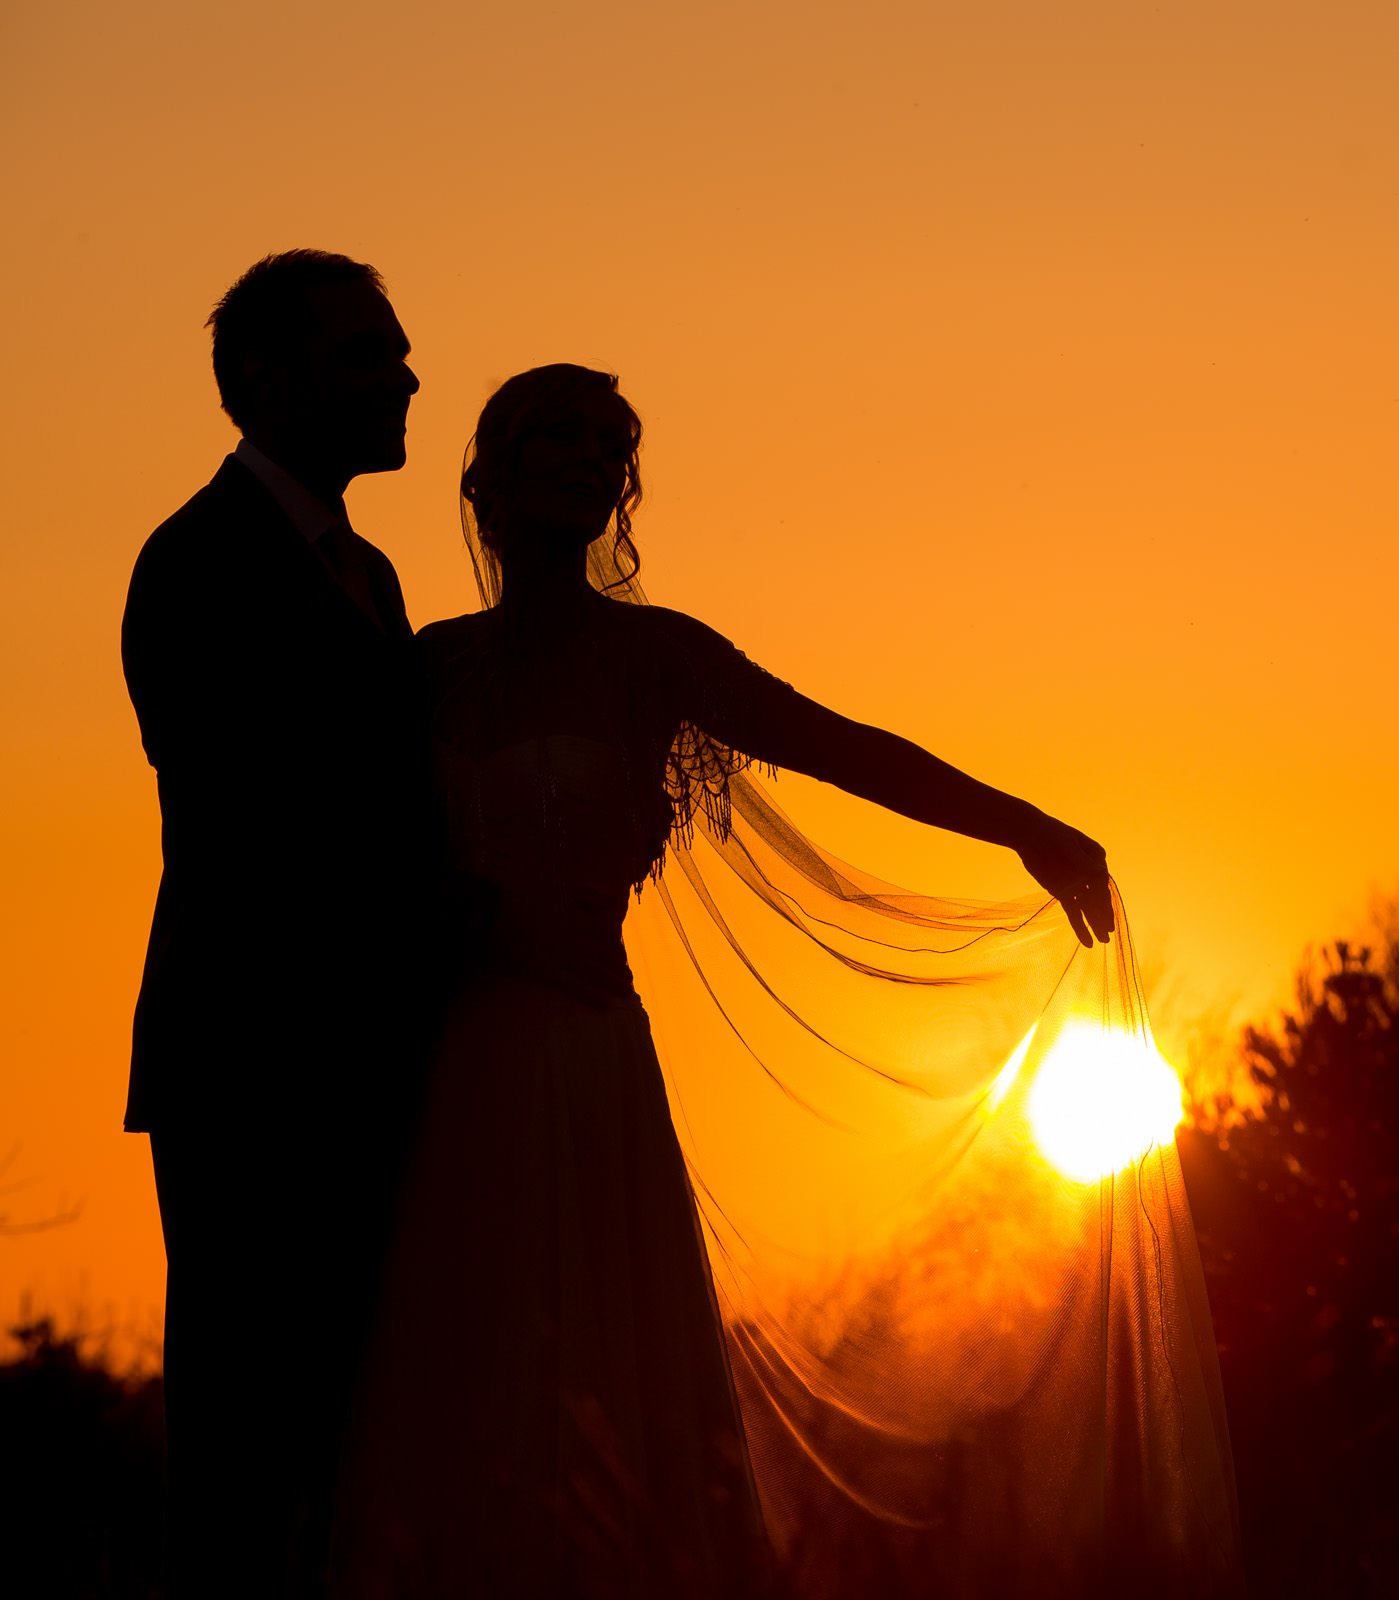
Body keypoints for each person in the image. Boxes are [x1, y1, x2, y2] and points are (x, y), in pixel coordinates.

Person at [332, 364, 1237, 1598]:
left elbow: (839, 745)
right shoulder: (424, 665)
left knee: (611, 1374)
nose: (589, 466)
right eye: (561, 439)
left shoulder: (656, 660)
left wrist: (1023, 821)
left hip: (592, 1057)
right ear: (486, 476)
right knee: (464, 1374)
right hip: (455, 1070)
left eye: (610, 448)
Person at [121, 249, 444, 1595]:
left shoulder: (367, 572)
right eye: (369, 351)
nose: (406, 375)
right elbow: (255, 811)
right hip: (254, 1063)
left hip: (369, 1067)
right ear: (265, 377)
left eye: (399, 347)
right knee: (245, 1454)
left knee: (344, 1452)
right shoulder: (196, 563)